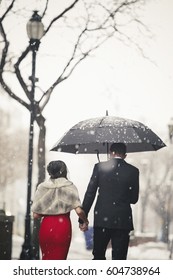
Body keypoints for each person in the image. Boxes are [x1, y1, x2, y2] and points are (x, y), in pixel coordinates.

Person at [79, 143, 139, 260]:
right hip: (122, 221)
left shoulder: (99, 167)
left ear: (110, 153)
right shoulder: (133, 171)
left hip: (102, 219)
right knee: (119, 258)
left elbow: (90, 193)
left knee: (98, 256)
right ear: (125, 155)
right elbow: (134, 199)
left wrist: (83, 218)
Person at [31, 160, 88, 260]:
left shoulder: (42, 187)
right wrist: (85, 221)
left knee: (47, 259)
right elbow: (79, 211)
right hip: (63, 228)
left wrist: (49, 211)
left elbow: (35, 215)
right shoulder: (70, 186)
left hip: (46, 227)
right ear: (64, 171)